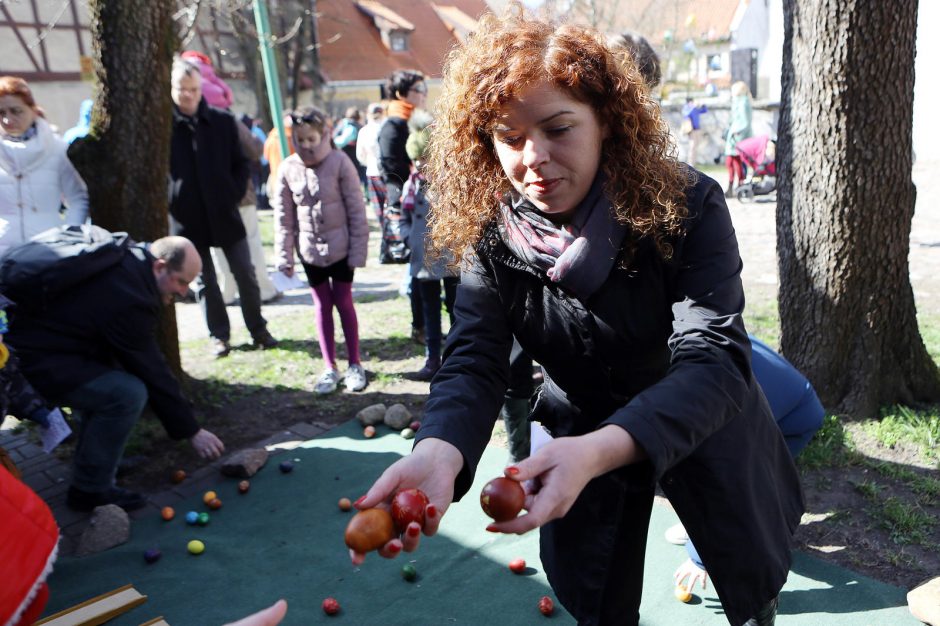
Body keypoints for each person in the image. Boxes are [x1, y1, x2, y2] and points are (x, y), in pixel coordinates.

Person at [351, 10, 802, 626]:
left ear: (608, 123)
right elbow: (476, 356)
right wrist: (441, 447)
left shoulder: (688, 205)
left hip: (704, 418)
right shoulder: (495, 236)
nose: (533, 157)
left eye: (558, 128)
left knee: (745, 579)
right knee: (596, 597)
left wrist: (602, 449)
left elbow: (715, 360)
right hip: (576, 432)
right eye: (508, 137)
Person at [5, 235, 225, 511]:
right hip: (31, 363)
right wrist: (192, 431)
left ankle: (98, 464)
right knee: (126, 394)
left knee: (108, 381)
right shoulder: (131, 295)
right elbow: (151, 369)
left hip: (43, 347)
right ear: (159, 266)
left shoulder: (125, 258)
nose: (183, 292)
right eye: (181, 281)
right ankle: (89, 490)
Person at [670, 335, 825, 597]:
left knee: (752, 486)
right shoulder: (700, 335)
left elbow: (723, 479)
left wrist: (700, 557)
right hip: (790, 400)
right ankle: (701, 529)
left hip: (794, 420)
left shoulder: (708, 380)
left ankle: (731, 541)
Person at [168, 57, 278, 357]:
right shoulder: (164, 127)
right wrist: (173, 198)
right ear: (173, 89)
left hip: (224, 212)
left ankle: (258, 328)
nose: (187, 95)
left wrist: (231, 192)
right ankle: (219, 335)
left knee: (245, 272)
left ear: (200, 89)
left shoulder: (221, 121)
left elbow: (241, 163)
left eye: (192, 88)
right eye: (181, 89)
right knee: (206, 281)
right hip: (187, 218)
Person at [272, 106, 369, 394]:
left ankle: (355, 363)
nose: (306, 146)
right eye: (300, 141)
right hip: (310, 251)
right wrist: (284, 256)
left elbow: (356, 209)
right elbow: (283, 217)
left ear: (324, 135)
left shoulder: (340, 163)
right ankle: (330, 366)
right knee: (322, 305)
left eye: (311, 139)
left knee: (344, 302)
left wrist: (357, 252)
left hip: (341, 249)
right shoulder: (288, 168)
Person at [0, 76, 89, 255]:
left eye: (16, 111)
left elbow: (78, 198)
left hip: (49, 252)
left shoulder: (58, 149)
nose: (8, 120)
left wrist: (69, 237)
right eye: (1, 113)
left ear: (33, 110)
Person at [400, 111, 458, 381]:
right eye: (416, 160)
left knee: (457, 309)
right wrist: (406, 237)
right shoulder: (412, 185)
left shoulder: (450, 183)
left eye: (425, 158)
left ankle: (457, 358)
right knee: (429, 310)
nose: (421, 164)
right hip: (423, 258)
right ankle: (432, 358)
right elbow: (404, 216)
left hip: (450, 257)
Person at [378, 70, 427, 345]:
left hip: (427, 199)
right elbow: (390, 170)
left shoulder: (420, 122)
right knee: (417, 271)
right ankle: (419, 325)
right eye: (418, 89)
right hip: (408, 205)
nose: (423, 94)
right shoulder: (394, 125)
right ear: (401, 94)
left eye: (424, 89)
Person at [356, 102, 387, 221]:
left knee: (378, 208)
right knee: (391, 205)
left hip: (373, 171)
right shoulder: (387, 127)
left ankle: (384, 232)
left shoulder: (364, 131)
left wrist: (368, 163)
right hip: (389, 172)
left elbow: (360, 155)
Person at [724, 80, 753, 197]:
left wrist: (736, 132)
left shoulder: (743, 103)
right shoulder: (737, 102)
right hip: (733, 136)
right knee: (730, 162)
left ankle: (740, 185)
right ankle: (732, 186)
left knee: (736, 162)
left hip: (738, 137)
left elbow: (745, 121)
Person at [333, 107, 365, 186]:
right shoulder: (352, 126)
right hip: (350, 156)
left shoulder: (344, 123)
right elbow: (342, 141)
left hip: (344, 155)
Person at [682, 97, 709, 165]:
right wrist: (693, 107)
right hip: (691, 130)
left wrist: (703, 105)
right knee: (692, 147)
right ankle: (690, 163)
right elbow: (686, 115)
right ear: (689, 102)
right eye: (692, 102)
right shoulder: (687, 108)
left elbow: (704, 110)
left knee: (695, 147)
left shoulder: (695, 109)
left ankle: (693, 163)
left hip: (697, 130)